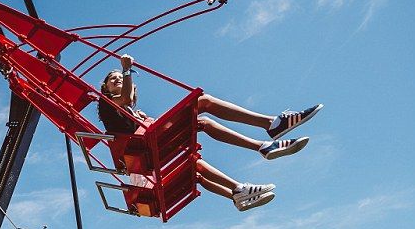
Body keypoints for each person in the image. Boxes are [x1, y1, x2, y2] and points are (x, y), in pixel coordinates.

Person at [95, 54, 322, 211]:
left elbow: (127, 101)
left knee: (195, 161)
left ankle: (239, 187)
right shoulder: (106, 103)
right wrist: (126, 69)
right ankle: (271, 125)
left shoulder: (130, 112)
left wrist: (142, 117)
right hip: (146, 148)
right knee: (203, 103)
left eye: (120, 77)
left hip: (150, 148)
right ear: (106, 88)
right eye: (112, 79)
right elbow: (125, 98)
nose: (117, 79)